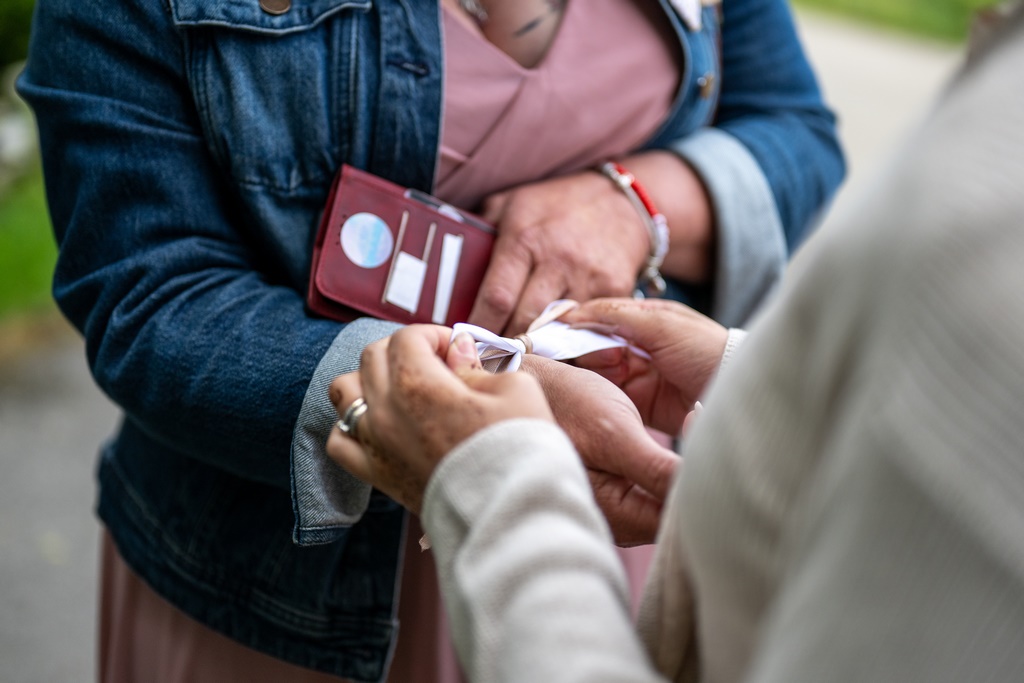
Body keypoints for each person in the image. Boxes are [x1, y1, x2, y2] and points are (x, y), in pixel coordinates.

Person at [16, 0, 843, 679]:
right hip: (271, 587)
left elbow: (795, 126)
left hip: (605, 525)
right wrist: (412, 403)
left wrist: (635, 203)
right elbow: (148, 293)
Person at [326, 4, 1024, 681]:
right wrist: (743, 373)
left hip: (584, 521)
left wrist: (497, 484)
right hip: (315, 562)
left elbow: (796, 126)